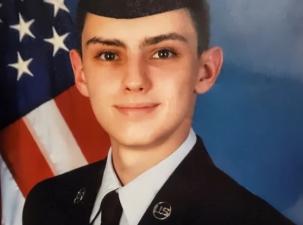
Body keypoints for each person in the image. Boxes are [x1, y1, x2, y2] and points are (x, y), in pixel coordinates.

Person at [22, 0, 296, 225]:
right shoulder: (47, 204)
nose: (134, 80)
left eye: (163, 53)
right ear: (81, 74)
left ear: (205, 71)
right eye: (108, 55)